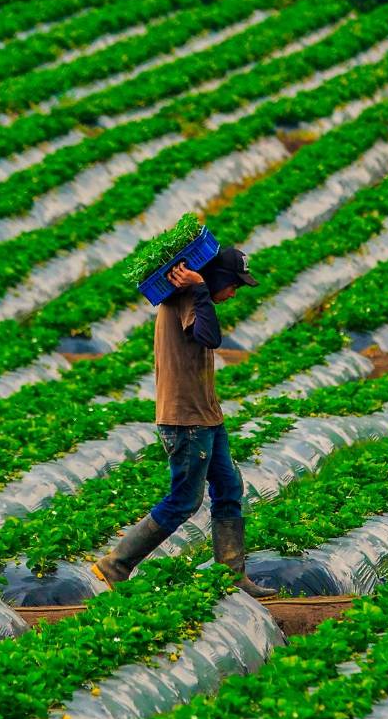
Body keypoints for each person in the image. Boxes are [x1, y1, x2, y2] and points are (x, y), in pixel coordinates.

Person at [92, 246, 279, 599]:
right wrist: (202, 289)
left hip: (206, 415)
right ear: (217, 278)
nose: (234, 294)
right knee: (184, 500)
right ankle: (116, 563)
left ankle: (231, 574)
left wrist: (202, 290)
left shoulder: (193, 295)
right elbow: (210, 337)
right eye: (233, 285)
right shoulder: (187, 297)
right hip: (186, 420)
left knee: (229, 487)